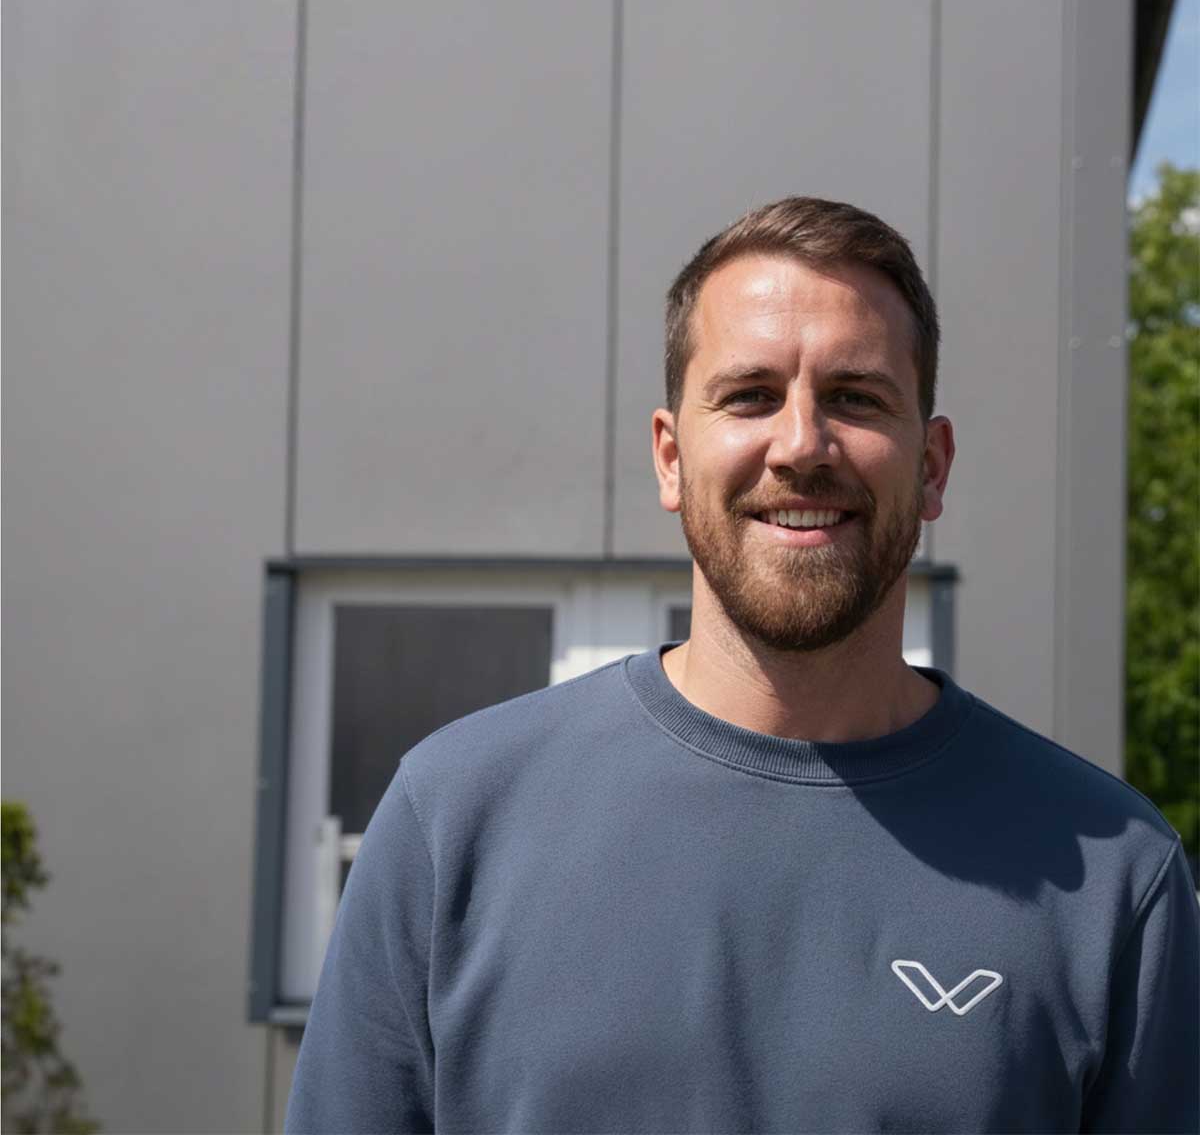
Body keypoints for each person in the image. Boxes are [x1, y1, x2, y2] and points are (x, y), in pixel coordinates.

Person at [285, 197, 1199, 1134]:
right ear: (671, 457)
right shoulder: (453, 821)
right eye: (751, 395)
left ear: (932, 466)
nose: (801, 445)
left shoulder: (1115, 881)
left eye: (856, 397)